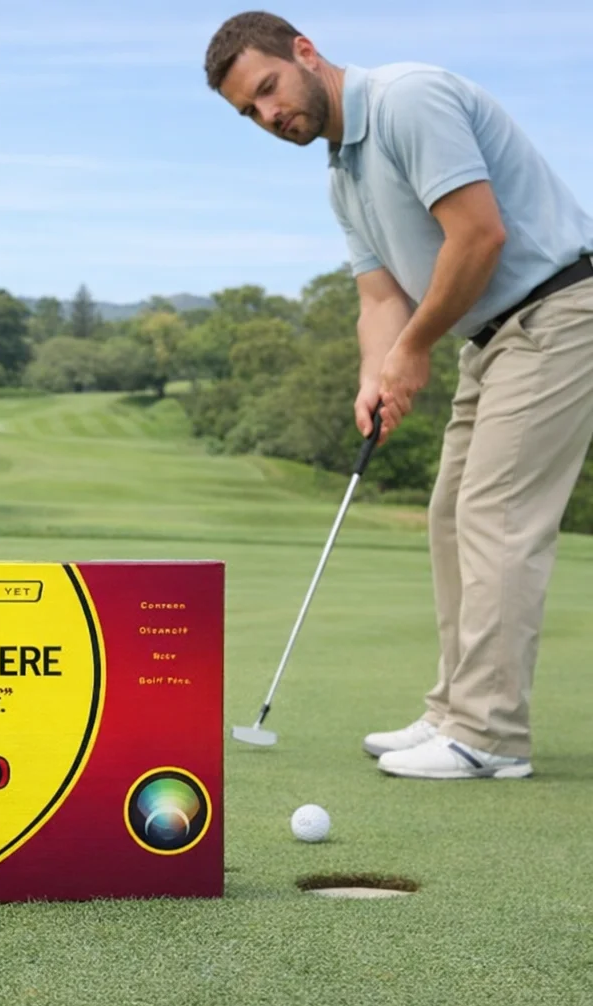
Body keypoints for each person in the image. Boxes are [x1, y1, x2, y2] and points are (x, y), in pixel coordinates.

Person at [204, 12, 593, 779]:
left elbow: (479, 236)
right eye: (251, 111)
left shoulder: (408, 100)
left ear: (306, 54)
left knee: (496, 516)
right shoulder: (342, 178)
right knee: (451, 512)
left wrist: (413, 351)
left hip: (557, 310)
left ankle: (489, 735)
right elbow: (381, 300)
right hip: (491, 336)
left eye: (270, 89)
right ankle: (454, 710)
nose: (270, 115)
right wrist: (375, 374)